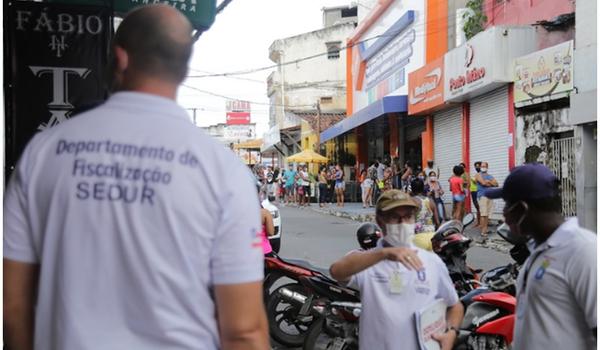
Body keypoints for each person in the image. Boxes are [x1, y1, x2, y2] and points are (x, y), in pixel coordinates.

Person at [3, 5, 269, 350]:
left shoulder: (43, 152)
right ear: (182, 69)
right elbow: (244, 330)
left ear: (120, 58)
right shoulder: (224, 171)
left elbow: (12, 307)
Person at [330, 190, 464, 350]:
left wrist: (451, 333)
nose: (402, 223)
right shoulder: (367, 261)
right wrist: (384, 254)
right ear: (380, 221)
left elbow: (455, 306)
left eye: (408, 217)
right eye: (395, 217)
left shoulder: (431, 262)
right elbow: (337, 271)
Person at [484, 164, 597, 350]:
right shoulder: (539, 249)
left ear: (522, 208)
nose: (504, 213)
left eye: (507, 205)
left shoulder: (583, 250)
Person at [475, 161, 498, 239]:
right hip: (482, 196)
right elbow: (483, 183)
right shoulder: (478, 175)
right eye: (482, 166)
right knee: (483, 214)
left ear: (487, 167)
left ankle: (485, 230)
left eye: (484, 166)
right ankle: (483, 231)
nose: (483, 167)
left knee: (487, 214)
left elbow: (497, 184)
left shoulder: (489, 176)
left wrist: (489, 182)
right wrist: (490, 183)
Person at [470, 161, 482, 227]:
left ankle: (481, 223)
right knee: (477, 208)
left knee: (480, 207)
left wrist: (474, 181)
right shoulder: (476, 174)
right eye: (476, 166)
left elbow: (480, 183)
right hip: (473, 192)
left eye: (478, 166)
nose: (477, 167)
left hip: (478, 192)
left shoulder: (482, 174)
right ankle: (478, 222)